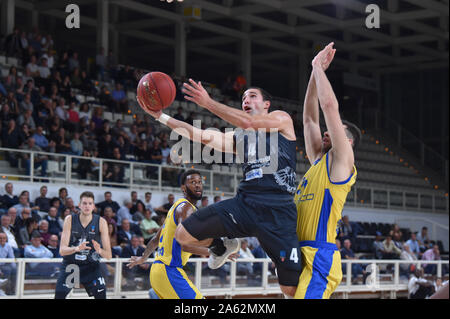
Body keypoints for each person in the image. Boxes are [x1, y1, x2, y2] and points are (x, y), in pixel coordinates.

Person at [138, 71, 301, 297]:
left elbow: (249, 121)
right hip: (246, 204)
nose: (246, 100)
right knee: (183, 235)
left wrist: (208, 103)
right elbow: (200, 135)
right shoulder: (240, 136)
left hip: (278, 210)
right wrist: (160, 117)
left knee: (290, 288)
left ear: (267, 105)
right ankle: (222, 246)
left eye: (252, 96)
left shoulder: (281, 119)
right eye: (243, 98)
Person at [294, 43, 360, 299]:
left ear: (348, 141)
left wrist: (318, 68)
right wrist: (314, 70)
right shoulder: (318, 161)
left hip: (320, 257)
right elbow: (310, 118)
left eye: (335, 130)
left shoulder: (343, 159)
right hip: (299, 252)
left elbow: (328, 108)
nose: (326, 130)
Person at [127, 170, 226, 299]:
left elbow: (155, 240)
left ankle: (155, 295)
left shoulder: (175, 208)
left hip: (158, 271)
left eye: (200, 182)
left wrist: (143, 258)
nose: (197, 185)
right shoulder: (186, 209)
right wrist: (217, 250)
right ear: (184, 188)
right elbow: (185, 244)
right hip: (169, 270)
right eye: (193, 182)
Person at [55, 191, 112, 299]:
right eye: (84, 203)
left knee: (101, 294)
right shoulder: (70, 219)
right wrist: (77, 248)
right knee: (59, 295)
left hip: (91, 267)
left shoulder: (101, 222)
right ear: (79, 205)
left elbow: (109, 255)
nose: (87, 206)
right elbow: (62, 251)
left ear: (94, 206)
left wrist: (99, 250)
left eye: (90, 203)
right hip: (72, 266)